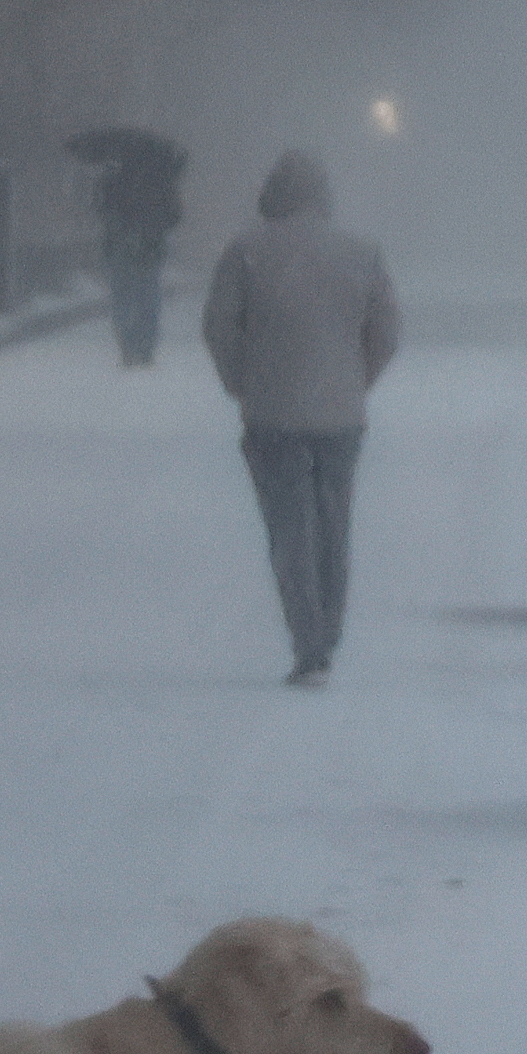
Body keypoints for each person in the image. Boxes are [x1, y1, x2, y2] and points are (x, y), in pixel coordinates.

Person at [201, 150, 400, 687]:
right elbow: (386, 332)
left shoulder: (246, 253)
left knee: (290, 528)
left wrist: (243, 379)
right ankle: (329, 626)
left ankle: (308, 640)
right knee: (334, 524)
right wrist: (356, 379)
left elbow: (220, 326)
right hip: (339, 414)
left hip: (272, 415)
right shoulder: (362, 255)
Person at [76, 129, 188, 366]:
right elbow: (174, 216)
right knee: (148, 293)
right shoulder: (160, 178)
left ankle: (127, 345)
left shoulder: (112, 177)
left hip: (118, 244)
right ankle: (145, 347)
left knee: (122, 295)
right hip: (150, 245)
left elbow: (99, 209)